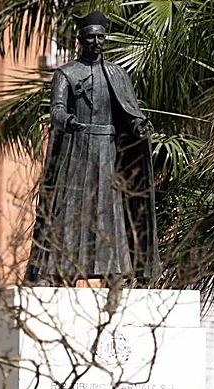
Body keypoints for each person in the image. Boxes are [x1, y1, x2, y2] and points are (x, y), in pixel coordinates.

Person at [27, 9, 158, 284]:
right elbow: (56, 110)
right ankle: (57, 270)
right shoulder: (66, 74)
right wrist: (67, 120)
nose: (96, 43)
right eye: (90, 38)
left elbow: (130, 112)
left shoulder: (117, 74)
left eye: (100, 37)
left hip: (108, 153)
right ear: (80, 39)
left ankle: (115, 272)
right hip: (76, 152)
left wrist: (139, 126)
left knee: (110, 213)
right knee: (70, 211)